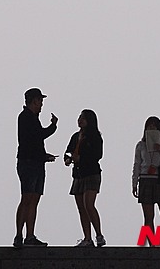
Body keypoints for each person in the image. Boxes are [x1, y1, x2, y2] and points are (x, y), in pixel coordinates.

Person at [14, 87, 58, 249]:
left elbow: (34, 140)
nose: (41, 105)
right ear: (34, 101)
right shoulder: (26, 117)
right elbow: (37, 136)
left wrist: (43, 156)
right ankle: (20, 235)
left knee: (33, 200)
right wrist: (53, 126)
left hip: (35, 162)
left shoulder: (31, 118)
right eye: (40, 101)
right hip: (29, 163)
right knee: (27, 199)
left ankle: (29, 236)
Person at [64, 109, 106, 247]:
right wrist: (68, 158)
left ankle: (99, 235)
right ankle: (87, 238)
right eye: (79, 117)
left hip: (91, 173)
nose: (80, 120)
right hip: (78, 174)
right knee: (81, 208)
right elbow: (68, 151)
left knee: (89, 204)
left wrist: (81, 158)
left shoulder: (95, 136)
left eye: (83, 118)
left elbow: (98, 155)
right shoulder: (75, 136)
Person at [132, 116, 160, 238]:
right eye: (149, 126)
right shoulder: (141, 145)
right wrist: (134, 183)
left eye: (154, 126)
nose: (152, 128)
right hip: (145, 179)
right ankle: (152, 245)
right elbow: (137, 164)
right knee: (148, 217)